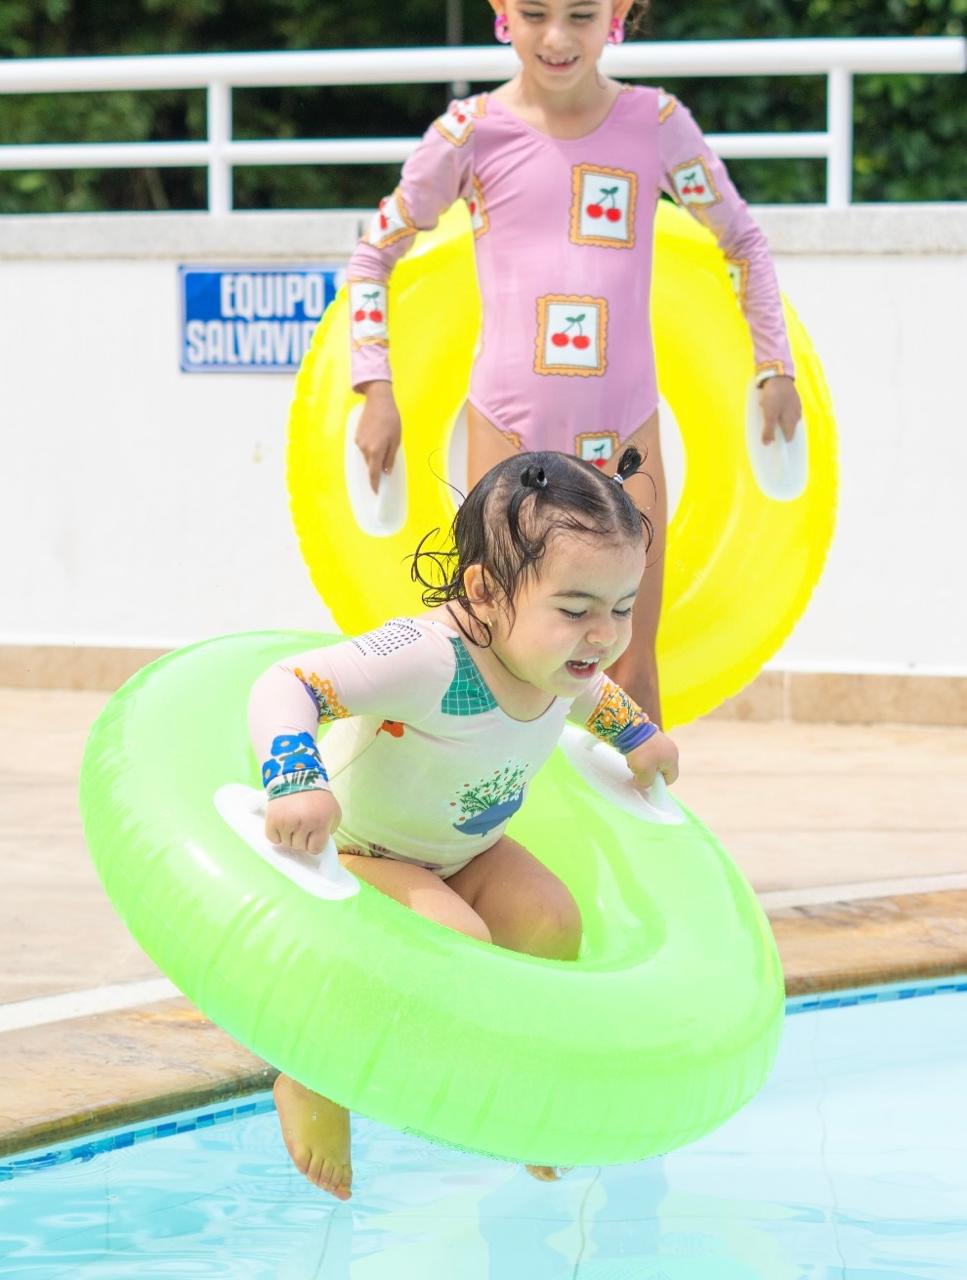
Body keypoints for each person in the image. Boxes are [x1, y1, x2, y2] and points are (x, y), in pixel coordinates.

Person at [344, 0, 802, 726]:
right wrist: (375, 388)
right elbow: (373, 254)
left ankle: (625, 833)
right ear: (501, 13)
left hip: (623, 443)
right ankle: (483, 832)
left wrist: (774, 367)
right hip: (506, 438)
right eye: (534, 14)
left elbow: (743, 241)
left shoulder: (655, 124)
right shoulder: (468, 134)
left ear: (618, 15)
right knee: (496, 658)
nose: (556, 38)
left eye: (581, 16)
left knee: (627, 669)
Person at [250, 447, 679, 1200]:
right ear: (483, 590)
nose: (603, 635)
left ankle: (516, 1091)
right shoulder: (427, 658)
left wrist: (638, 737)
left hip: (465, 848)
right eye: (576, 610)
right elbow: (287, 682)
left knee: (550, 921)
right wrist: (295, 780)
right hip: (359, 850)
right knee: (456, 940)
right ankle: (315, 1072)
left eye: (621, 607)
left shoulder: (556, 657)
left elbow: (590, 696)